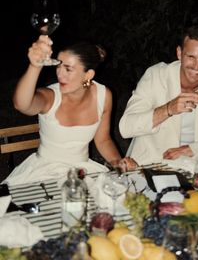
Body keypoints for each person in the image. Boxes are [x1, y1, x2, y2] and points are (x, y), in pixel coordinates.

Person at [4, 35, 137, 186]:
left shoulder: (104, 95)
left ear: (88, 75)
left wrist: (117, 162)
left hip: (82, 171)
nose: (60, 74)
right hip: (44, 172)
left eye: (68, 69)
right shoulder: (51, 96)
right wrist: (35, 66)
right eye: (58, 66)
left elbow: (103, 139)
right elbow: (21, 104)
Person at [119, 24, 198, 169]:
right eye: (191, 57)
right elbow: (126, 128)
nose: (197, 66)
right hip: (149, 166)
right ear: (179, 53)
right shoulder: (156, 76)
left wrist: (192, 149)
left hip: (197, 168)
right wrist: (168, 109)